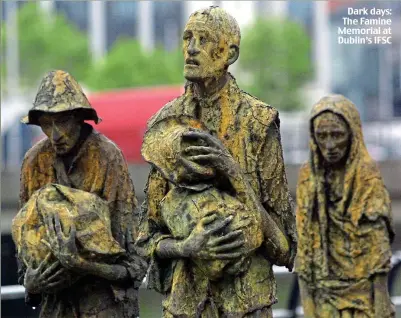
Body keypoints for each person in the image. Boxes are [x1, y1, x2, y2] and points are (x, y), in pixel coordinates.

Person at [136, 6, 296, 317]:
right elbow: (146, 238)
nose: (192, 48)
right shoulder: (165, 123)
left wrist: (232, 172)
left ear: (230, 52)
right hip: (186, 305)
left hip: (246, 303)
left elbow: (284, 247)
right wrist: (186, 248)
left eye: (205, 39)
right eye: (187, 38)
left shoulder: (258, 122)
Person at [15, 70, 147, 318]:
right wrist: (31, 284)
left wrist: (82, 264)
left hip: (104, 303)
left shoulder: (108, 158)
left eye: (62, 121)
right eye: (46, 123)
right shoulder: (33, 163)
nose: (55, 135)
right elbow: (25, 246)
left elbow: (134, 263)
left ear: (78, 118)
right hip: (55, 306)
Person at [295, 95, 395, 318]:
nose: (330, 146)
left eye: (337, 135)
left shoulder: (366, 175)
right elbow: (304, 239)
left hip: (362, 289)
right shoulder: (308, 176)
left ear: (352, 133)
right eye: (322, 136)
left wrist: (381, 301)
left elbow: (377, 243)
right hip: (323, 287)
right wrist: (307, 299)